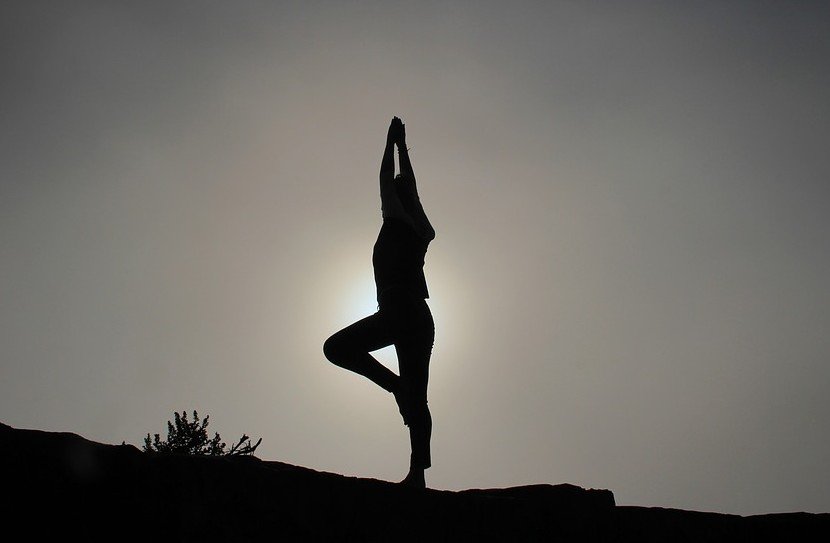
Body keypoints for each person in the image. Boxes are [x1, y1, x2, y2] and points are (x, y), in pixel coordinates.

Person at [323, 116, 436, 488]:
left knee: (336, 348)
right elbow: (412, 188)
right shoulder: (422, 228)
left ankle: (394, 387)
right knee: (419, 397)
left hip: (399, 308)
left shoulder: (397, 218)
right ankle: (417, 474)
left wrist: (390, 145)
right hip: (420, 316)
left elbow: (389, 182)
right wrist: (404, 148)